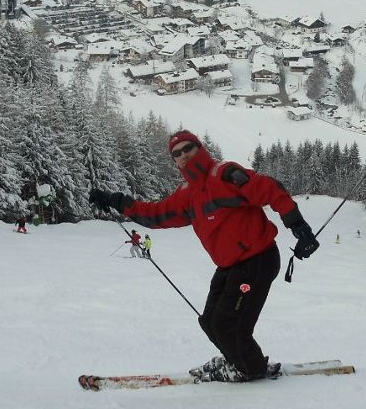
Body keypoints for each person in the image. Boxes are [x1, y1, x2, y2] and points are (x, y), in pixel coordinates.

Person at [89, 129, 320, 383]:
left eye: (188, 148)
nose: (184, 155)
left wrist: (298, 225)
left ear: (199, 148)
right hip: (230, 266)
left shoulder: (224, 174)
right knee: (209, 321)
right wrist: (117, 201)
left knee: (227, 324)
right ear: (174, 161)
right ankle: (236, 360)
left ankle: (250, 368)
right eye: (177, 153)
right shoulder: (187, 194)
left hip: (258, 260)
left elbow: (269, 188)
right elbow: (155, 214)